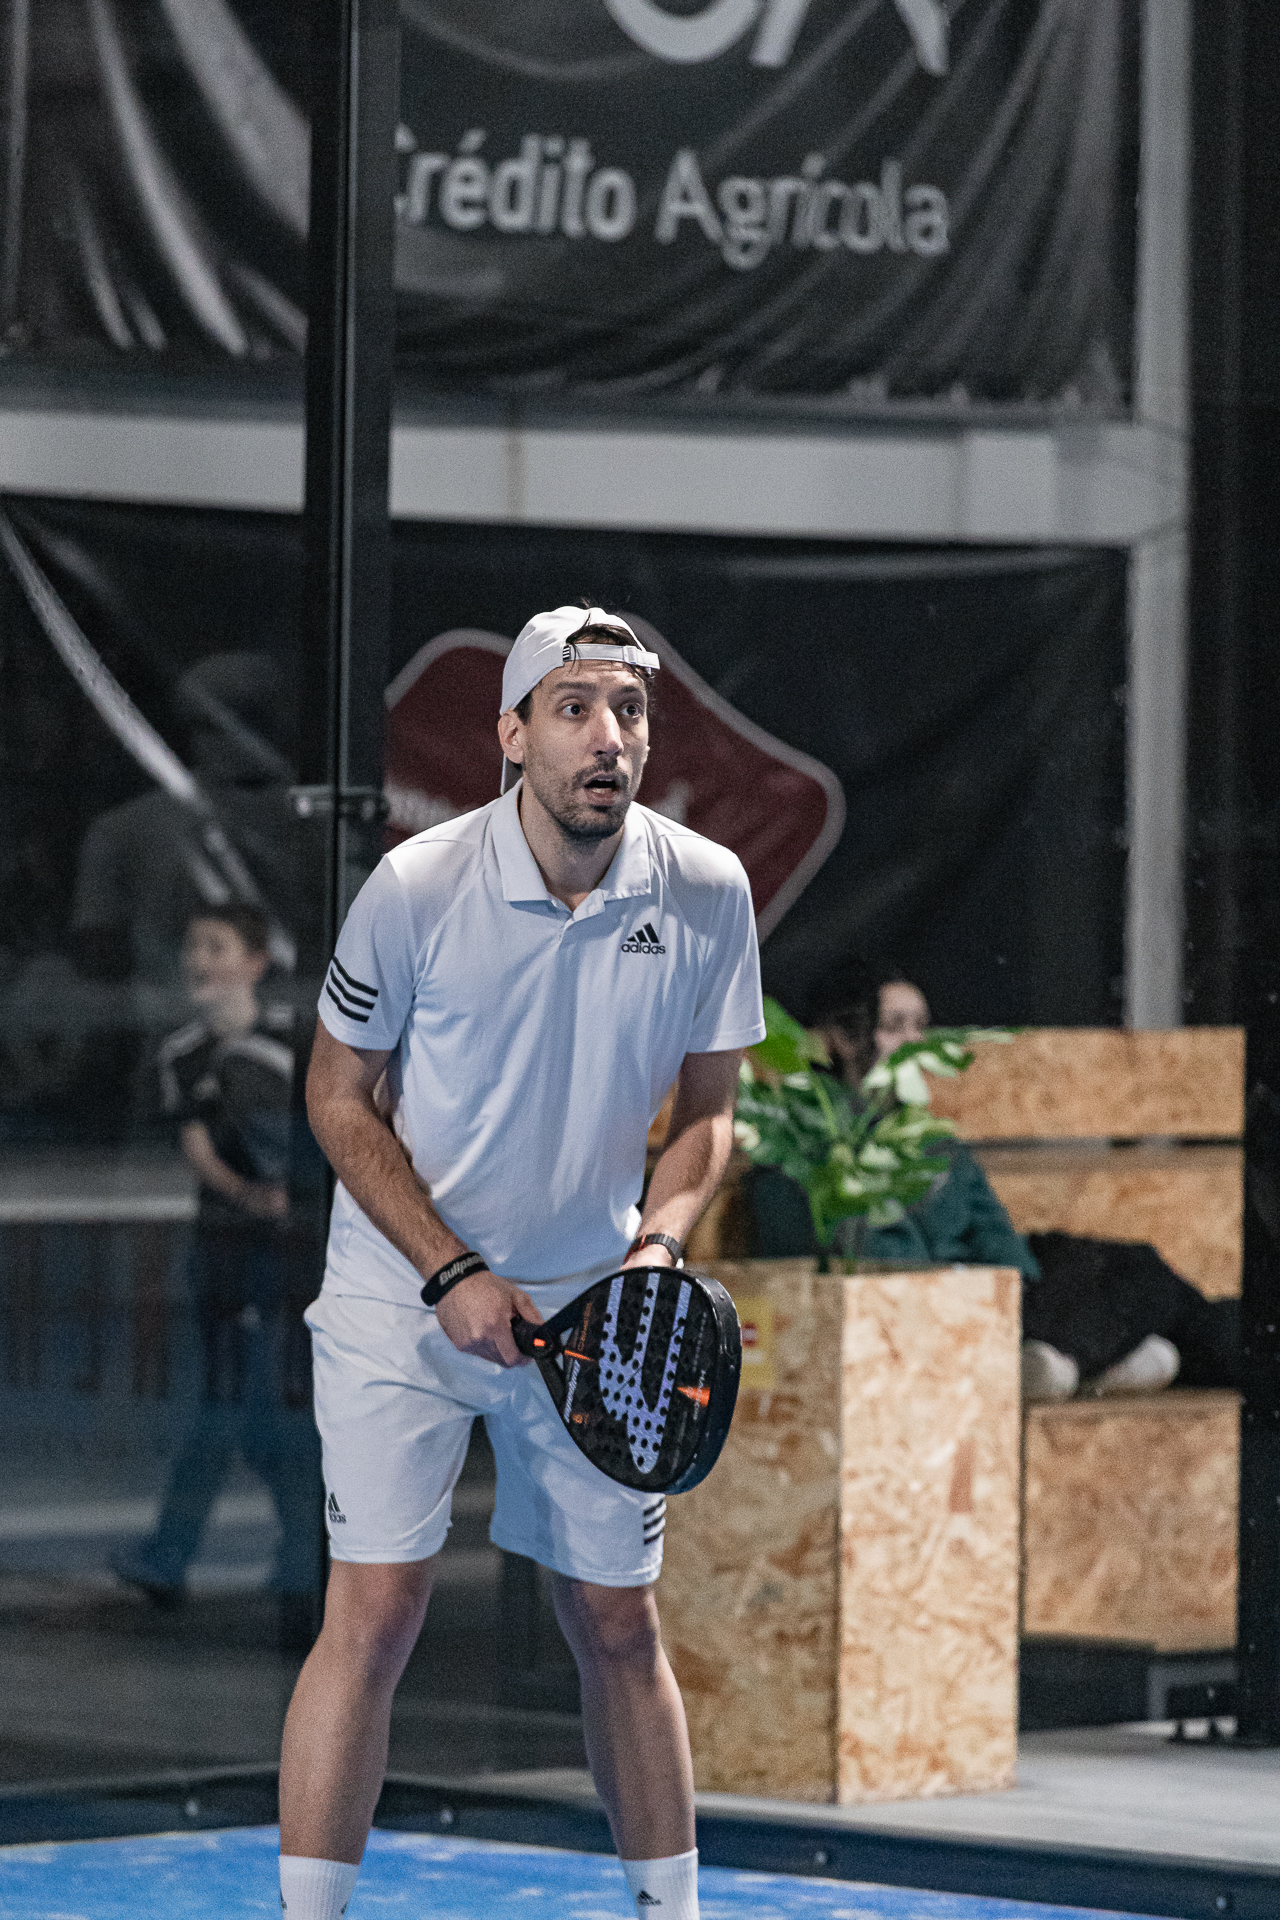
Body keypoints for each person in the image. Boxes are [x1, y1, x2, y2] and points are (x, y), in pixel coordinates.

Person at [277, 606, 765, 1920]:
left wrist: (655, 1250)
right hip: (401, 1299)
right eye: (574, 708)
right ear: (512, 735)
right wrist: (450, 1273)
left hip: (598, 1316)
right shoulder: (416, 887)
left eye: (629, 712)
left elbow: (708, 1113)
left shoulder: (708, 888)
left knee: (617, 1624)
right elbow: (334, 1096)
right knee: (376, 1614)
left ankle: (672, 1914)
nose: (609, 739)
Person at [748, 967, 1238, 1400]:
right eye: (894, 1028)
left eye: (921, 1026)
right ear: (842, 1039)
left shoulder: (934, 1143)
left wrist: (1007, 1288)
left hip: (989, 1295)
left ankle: (1069, 1358)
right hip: (920, 1311)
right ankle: (1083, 1358)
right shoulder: (809, 1144)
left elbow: (1004, 1247)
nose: (915, 1042)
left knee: (1138, 1270)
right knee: (1175, 1324)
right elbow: (874, 1269)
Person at [110, 905, 320, 1617]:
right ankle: (294, 1557)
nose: (198, 959)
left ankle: (189, 1556)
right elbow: (196, 1146)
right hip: (225, 1258)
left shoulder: (295, 1041)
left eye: (216, 946)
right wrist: (251, 1196)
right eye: (193, 946)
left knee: (244, 1409)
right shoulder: (182, 1054)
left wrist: (293, 1200)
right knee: (244, 1406)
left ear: (255, 962)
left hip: (288, 1259)